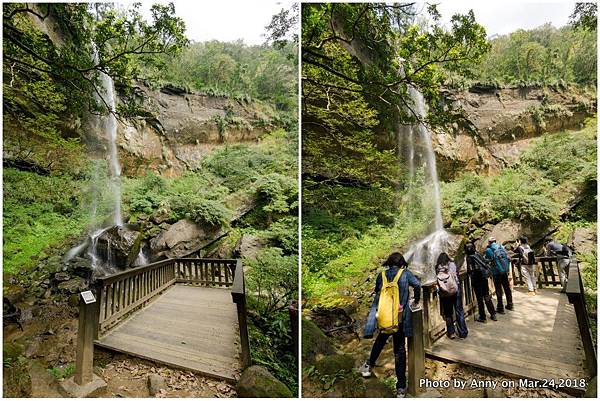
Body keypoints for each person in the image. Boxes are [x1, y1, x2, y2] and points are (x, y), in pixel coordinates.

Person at [359, 252, 421, 398]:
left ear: (388, 262)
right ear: (402, 263)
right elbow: (418, 285)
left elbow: (377, 292)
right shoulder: (405, 274)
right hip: (400, 318)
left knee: (380, 340)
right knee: (399, 350)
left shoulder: (382, 275)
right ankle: (400, 388)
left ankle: (368, 366)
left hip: (385, 316)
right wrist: (416, 299)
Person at [435, 252, 468, 338]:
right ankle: (462, 332)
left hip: (445, 292)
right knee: (459, 311)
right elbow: (456, 275)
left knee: (448, 313)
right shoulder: (452, 264)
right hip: (455, 290)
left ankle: (451, 333)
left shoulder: (437, 267)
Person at [465, 242, 497, 322]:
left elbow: (470, 270)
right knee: (486, 295)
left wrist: (470, 274)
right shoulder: (478, 254)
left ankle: (482, 317)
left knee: (479, 298)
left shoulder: (469, 257)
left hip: (476, 279)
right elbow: (484, 261)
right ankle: (493, 314)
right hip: (483, 277)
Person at [484, 237, 513, 313]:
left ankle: (500, 308)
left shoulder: (488, 250)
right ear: (495, 241)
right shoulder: (502, 247)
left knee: (498, 289)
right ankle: (510, 304)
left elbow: (487, 260)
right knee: (507, 287)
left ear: (489, 242)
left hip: (496, 272)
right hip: (504, 271)